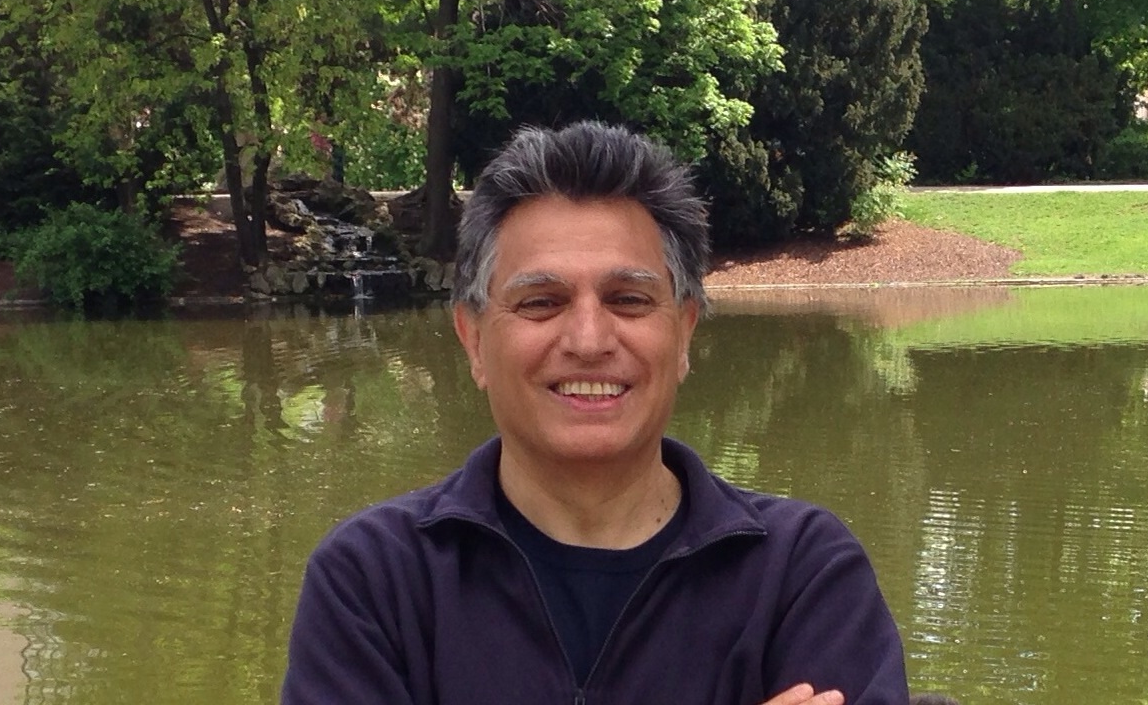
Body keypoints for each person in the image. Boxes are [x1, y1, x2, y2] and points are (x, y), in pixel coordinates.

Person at [280, 121, 908, 705]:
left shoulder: (803, 577)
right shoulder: (375, 582)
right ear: (473, 339)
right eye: (542, 302)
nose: (587, 339)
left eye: (629, 299)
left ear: (684, 333)